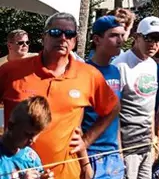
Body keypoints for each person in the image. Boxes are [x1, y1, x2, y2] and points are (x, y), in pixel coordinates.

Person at [0, 13, 119, 181]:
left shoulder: (88, 74)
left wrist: (86, 141)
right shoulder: (11, 70)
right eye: (56, 32)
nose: (63, 38)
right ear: (44, 37)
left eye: (69, 34)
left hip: (65, 174)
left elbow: (113, 108)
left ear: (75, 41)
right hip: (13, 172)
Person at [113, 15, 159, 181]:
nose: (153, 44)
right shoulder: (120, 65)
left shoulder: (152, 65)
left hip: (146, 143)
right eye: (149, 38)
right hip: (127, 146)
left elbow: (151, 106)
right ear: (136, 37)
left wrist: (154, 139)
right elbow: (113, 112)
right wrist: (119, 149)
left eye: (158, 38)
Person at [82, 16, 125, 181]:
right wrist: (84, 161)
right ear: (97, 39)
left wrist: (119, 151)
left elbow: (116, 114)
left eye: (121, 35)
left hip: (113, 154)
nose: (120, 40)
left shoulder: (115, 71)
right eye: (114, 35)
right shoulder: (84, 72)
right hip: (91, 153)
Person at [0, 97, 51, 180]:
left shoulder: (31, 157)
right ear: (11, 125)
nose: (33, 140)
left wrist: (43, 179)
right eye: (28, 134)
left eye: (36, 135)